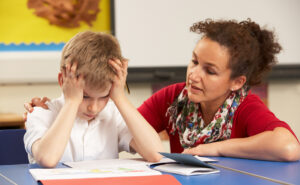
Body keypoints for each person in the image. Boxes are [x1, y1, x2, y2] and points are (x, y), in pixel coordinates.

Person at [25, 19, 300, 161]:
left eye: (210, 70)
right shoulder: (173, 98)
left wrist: (213, 149)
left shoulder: (245, 106)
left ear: (236, 82)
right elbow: (135, 131)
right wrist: (69, 104)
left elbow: (288, 146)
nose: (194, 74)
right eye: (194, 61)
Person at [23, 31, 163, 168]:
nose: (93, 108)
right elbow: (47, 159)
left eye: (104, 96)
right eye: (84, 96)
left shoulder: (113, 115)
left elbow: (156, 155)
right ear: (63, 81)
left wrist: (120, 97)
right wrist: (72, 102)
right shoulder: (41, 113)